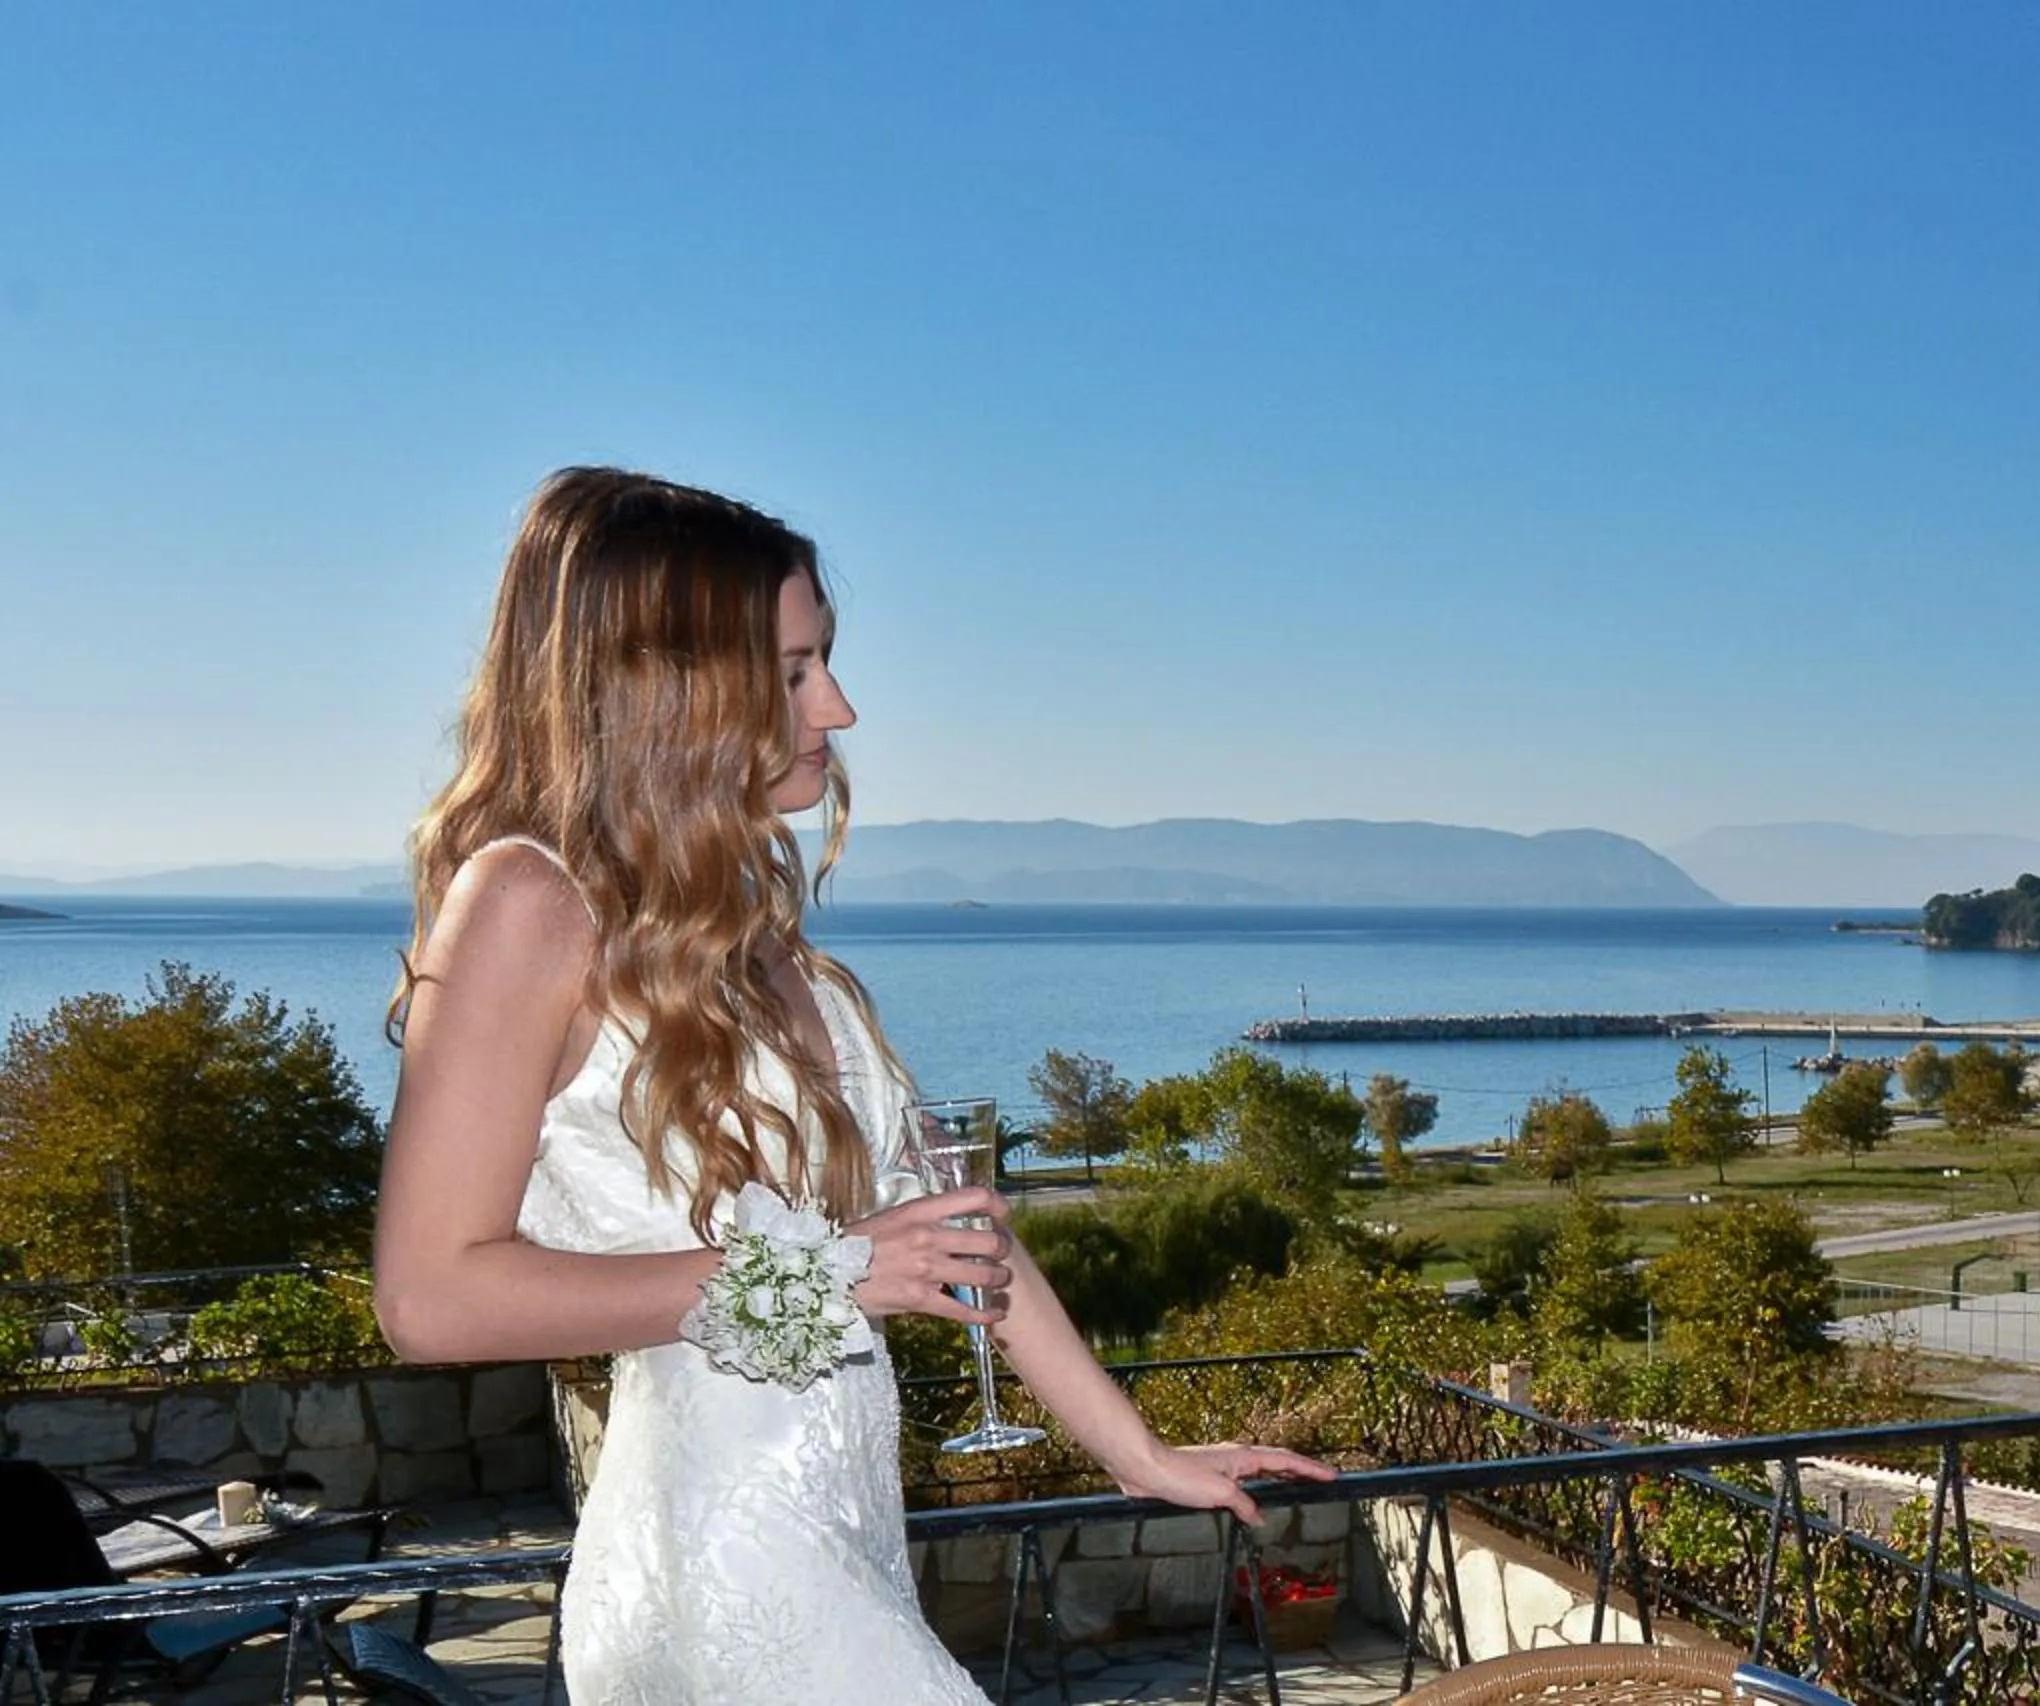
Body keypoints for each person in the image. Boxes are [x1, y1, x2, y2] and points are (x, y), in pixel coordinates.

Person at [372, 467, 1332, 1704]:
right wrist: (828, 1271)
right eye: (791, 671)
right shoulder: (524, 901)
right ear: (662, 686)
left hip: (843, 1553)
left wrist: (1136, 1449)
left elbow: (952, 1227)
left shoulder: (755, 935)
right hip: (716, 1582)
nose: (840, 704)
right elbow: (431, 1294)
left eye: (824, 660)